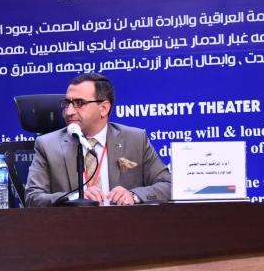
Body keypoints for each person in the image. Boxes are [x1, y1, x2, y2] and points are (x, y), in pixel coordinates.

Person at [25, 72, 171, 207]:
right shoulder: (48, 145)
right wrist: (75, 197)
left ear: (104, 108)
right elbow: (33, 197)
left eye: (79, 103)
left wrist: (134, 195)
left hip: (124, 223)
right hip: (71, 224)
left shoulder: (136, 140)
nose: (69, 112)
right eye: (67, 103)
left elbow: (169, 185)